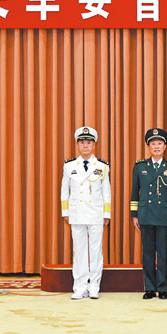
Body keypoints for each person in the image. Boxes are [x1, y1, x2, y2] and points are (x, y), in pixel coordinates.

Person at [130, 128, 167, 300]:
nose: (157, 146)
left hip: (164, 216)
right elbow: (134, 193)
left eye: (160, 143)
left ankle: (162, 287)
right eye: (153, 144)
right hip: (145, 215)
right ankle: (149, 288)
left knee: (162, 252)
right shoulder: (140, 167)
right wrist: (134, 215)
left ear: (165, 146)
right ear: (148, 146)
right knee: (148, 253)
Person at [61, 126, 111, 300]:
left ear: (93, 145)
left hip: (96, 213)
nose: (85, 146)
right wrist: (65, 211)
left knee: (96, 251)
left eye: (88, 142)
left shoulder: (102, 166)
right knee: (79, 250)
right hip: (77, 213)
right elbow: (64, 191)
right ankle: (80, 286)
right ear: (78, 144)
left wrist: (107, 214)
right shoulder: (69, 166)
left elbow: (107, 192)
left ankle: (94, 285)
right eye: (82, 142)